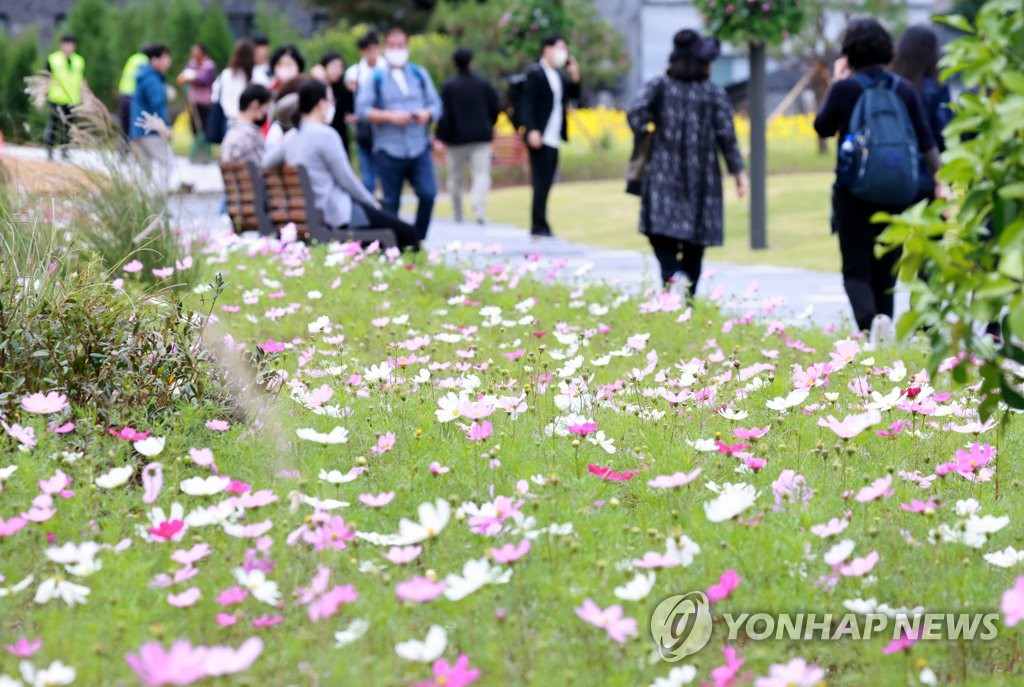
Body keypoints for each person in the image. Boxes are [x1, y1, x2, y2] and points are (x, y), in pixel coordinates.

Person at [814, 17, 940, 339]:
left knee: (856, 267)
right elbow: (926, 141)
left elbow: (822, 127)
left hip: (853, 192)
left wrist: (837, 82)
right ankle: (883, 323)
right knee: (885, 269)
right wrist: (940, 180)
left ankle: (870, 326)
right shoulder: (904, 88)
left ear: (850, 51)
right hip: (899, 193)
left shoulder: (846, 88)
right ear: (887, 48)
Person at [627, 29, 746, 297]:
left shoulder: (659, 86)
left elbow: (635, 112)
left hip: (662, 172)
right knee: (696, 242)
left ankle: (671, 276)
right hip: (701, 177)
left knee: (659, 231)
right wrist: (738, 171)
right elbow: (727, 135)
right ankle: (686, 297)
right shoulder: (713, 93)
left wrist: (648, 132)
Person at [262, 80, 420, 251]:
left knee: (387, 216)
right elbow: (346, 179)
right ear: (321, 104)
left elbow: (266, 163)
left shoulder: (291, 136)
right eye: (330, 100)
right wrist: (371, 202)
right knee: (409, 234)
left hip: (309, 214)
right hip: (335, 215)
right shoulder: (325, 135)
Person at [355, 27, 442, 242]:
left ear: (407, 47)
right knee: (391, 202)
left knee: (428, 194)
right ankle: (395, 245)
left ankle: (416, 240)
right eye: (392, 46)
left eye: (400, 45)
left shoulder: (419, 74)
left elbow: (436, 104)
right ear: (385, 48)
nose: (396, 50)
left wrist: (427, 113)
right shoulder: (375, 77)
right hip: (388, 147)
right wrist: (389, 116)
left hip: (417, 145)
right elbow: (362, 110)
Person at [519, 34, 582, 238]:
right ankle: (538, 224)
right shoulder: (535, 73)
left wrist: (574, 76)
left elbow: (572, 95)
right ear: (547, 48)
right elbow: (526, 104)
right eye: (560, 47)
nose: (563, 52)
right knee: (540, 180)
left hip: (554, 135)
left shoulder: (558, 75)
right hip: (540, 134)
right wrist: (531, 129)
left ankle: (542, 221)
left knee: (547, 180)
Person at [436, 47, 500, 225]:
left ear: (454, 63)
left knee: (455, 176)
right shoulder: (483, 83)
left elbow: (444, 114)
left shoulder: (449, 86)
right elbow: (495, 108)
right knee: (481, 175)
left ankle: (458, 213)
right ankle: (478, 209)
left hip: (456, 138)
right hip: (480, 137)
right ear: (472, 62)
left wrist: (441, 136)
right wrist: (489, 125)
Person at [891, 24, 952, 204]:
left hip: (893, 173)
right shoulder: (936, 90)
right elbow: (943, 134)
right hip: (928, 176)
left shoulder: (890, 87)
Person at [130, 44, 174, 190]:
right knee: (166, 165)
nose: (169, 62)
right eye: (166, 58)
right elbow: (158, 104)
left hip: (138, 129)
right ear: (155, 60)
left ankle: (141, 205)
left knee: (143, 169)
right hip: (151, 131)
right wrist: (166, 127)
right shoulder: (152, 79)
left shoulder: (144, 75)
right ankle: (158, 204)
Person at [345, 32, 385, 192]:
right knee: (367, 175)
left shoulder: (386, 69)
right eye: (369, 49)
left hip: (384, 126)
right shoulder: (354, 72)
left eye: (375, 48)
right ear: (362, 52)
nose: (373, 53)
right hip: (364, 127)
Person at [44, 35, 86, 160]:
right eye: (66, 44)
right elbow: (45, 78)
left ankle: (65, 151)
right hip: (56, 98)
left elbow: (82, 80)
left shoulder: (79, 61)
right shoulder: (53, 59)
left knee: (68, 128)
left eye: (71, 45)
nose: (68, 47)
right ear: (61, 45)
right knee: (54, 126)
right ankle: (50, 151)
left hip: (73, 100)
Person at [177, 43, 218, 162]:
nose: (194, 54)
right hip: (193, 101)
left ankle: (205, 154)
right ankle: (198, 153)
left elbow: (205, 80)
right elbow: (182, 77)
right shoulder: (191, 64)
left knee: (204, 127)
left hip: (205, 101)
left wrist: (192, 78)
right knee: (194, 127)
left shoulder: (208, 65)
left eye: (196, 51)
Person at [221, 83, 272, 166]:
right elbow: (264, 167)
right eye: (266, 107)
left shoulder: (230, 133)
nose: (267, 112)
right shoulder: (251, 136)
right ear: (255, 105)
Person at [318, 51, 354, 158]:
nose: (337, 71)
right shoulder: (318, 88)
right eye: (334, 66)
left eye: (340, 67)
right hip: (322, 136)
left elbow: (350, 110)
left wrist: (351, 91)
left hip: (339, 135)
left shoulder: (344, 88)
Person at [216, 39, 255, 124]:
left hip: (228, 117)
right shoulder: (253, 76)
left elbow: (215, 94)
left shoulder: (227, 73)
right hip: (245, 119)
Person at [117, 48, 150, 139]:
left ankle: (123, 148)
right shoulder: (144, 60)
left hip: (124, 94)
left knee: (124, 125)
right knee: (134, 124)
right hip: (134, 96)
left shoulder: (133, 58)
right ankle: (132, 149)